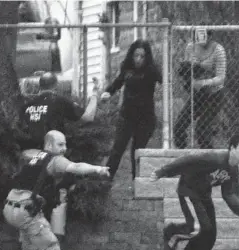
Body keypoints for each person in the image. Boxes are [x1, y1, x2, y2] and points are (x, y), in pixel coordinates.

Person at [3, 130, 109, 250]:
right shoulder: (55, 160)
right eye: (60, 144)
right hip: (25, 210)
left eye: (65, 144)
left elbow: (24, 162)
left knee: (29, 227)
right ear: (49, 145)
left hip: (10, 208)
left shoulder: (34, 156)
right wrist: (98, 169)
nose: (64, 149)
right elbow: (75, 167)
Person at [149, 134, 239, 250]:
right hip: (188, 190)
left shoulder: (233, 171)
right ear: (232, 148)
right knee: (195, 228)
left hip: (203, 195)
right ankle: (171, 233)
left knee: (210, 235)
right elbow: (188, 160)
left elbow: (229, 194)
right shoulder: (215, 159)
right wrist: (163, 171)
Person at [100, 39, 162, 180]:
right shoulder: (127, 68)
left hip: (145, 117)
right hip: (127, 116)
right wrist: (108, 92)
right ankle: (105, 181)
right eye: (136, 55)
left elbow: (163, 80)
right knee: (117, 149)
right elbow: (118, 82)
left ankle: (138, 183)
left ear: (147, 57)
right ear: (131, 55)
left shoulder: (151, 70)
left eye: (142, 56)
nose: (138, 59)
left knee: (137, 151)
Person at [173, 25, 227, 149]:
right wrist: (188, 79)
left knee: (201, 130)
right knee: (179, 126)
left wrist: (202, 82)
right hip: (197, 95)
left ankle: (210, 160)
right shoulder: (190, 48)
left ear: (210, 36)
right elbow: (187, 70)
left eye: (204, 35)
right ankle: (183, 156)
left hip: (214, 95)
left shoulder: (218, 50)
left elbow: (221, 78)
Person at [19, 72, 98, 150]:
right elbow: (88, 117)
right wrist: (94, 94)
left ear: (40, 86)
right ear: (56, 85)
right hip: (53, 152)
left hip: (31, 153)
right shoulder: (59, 101)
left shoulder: (27, 105)